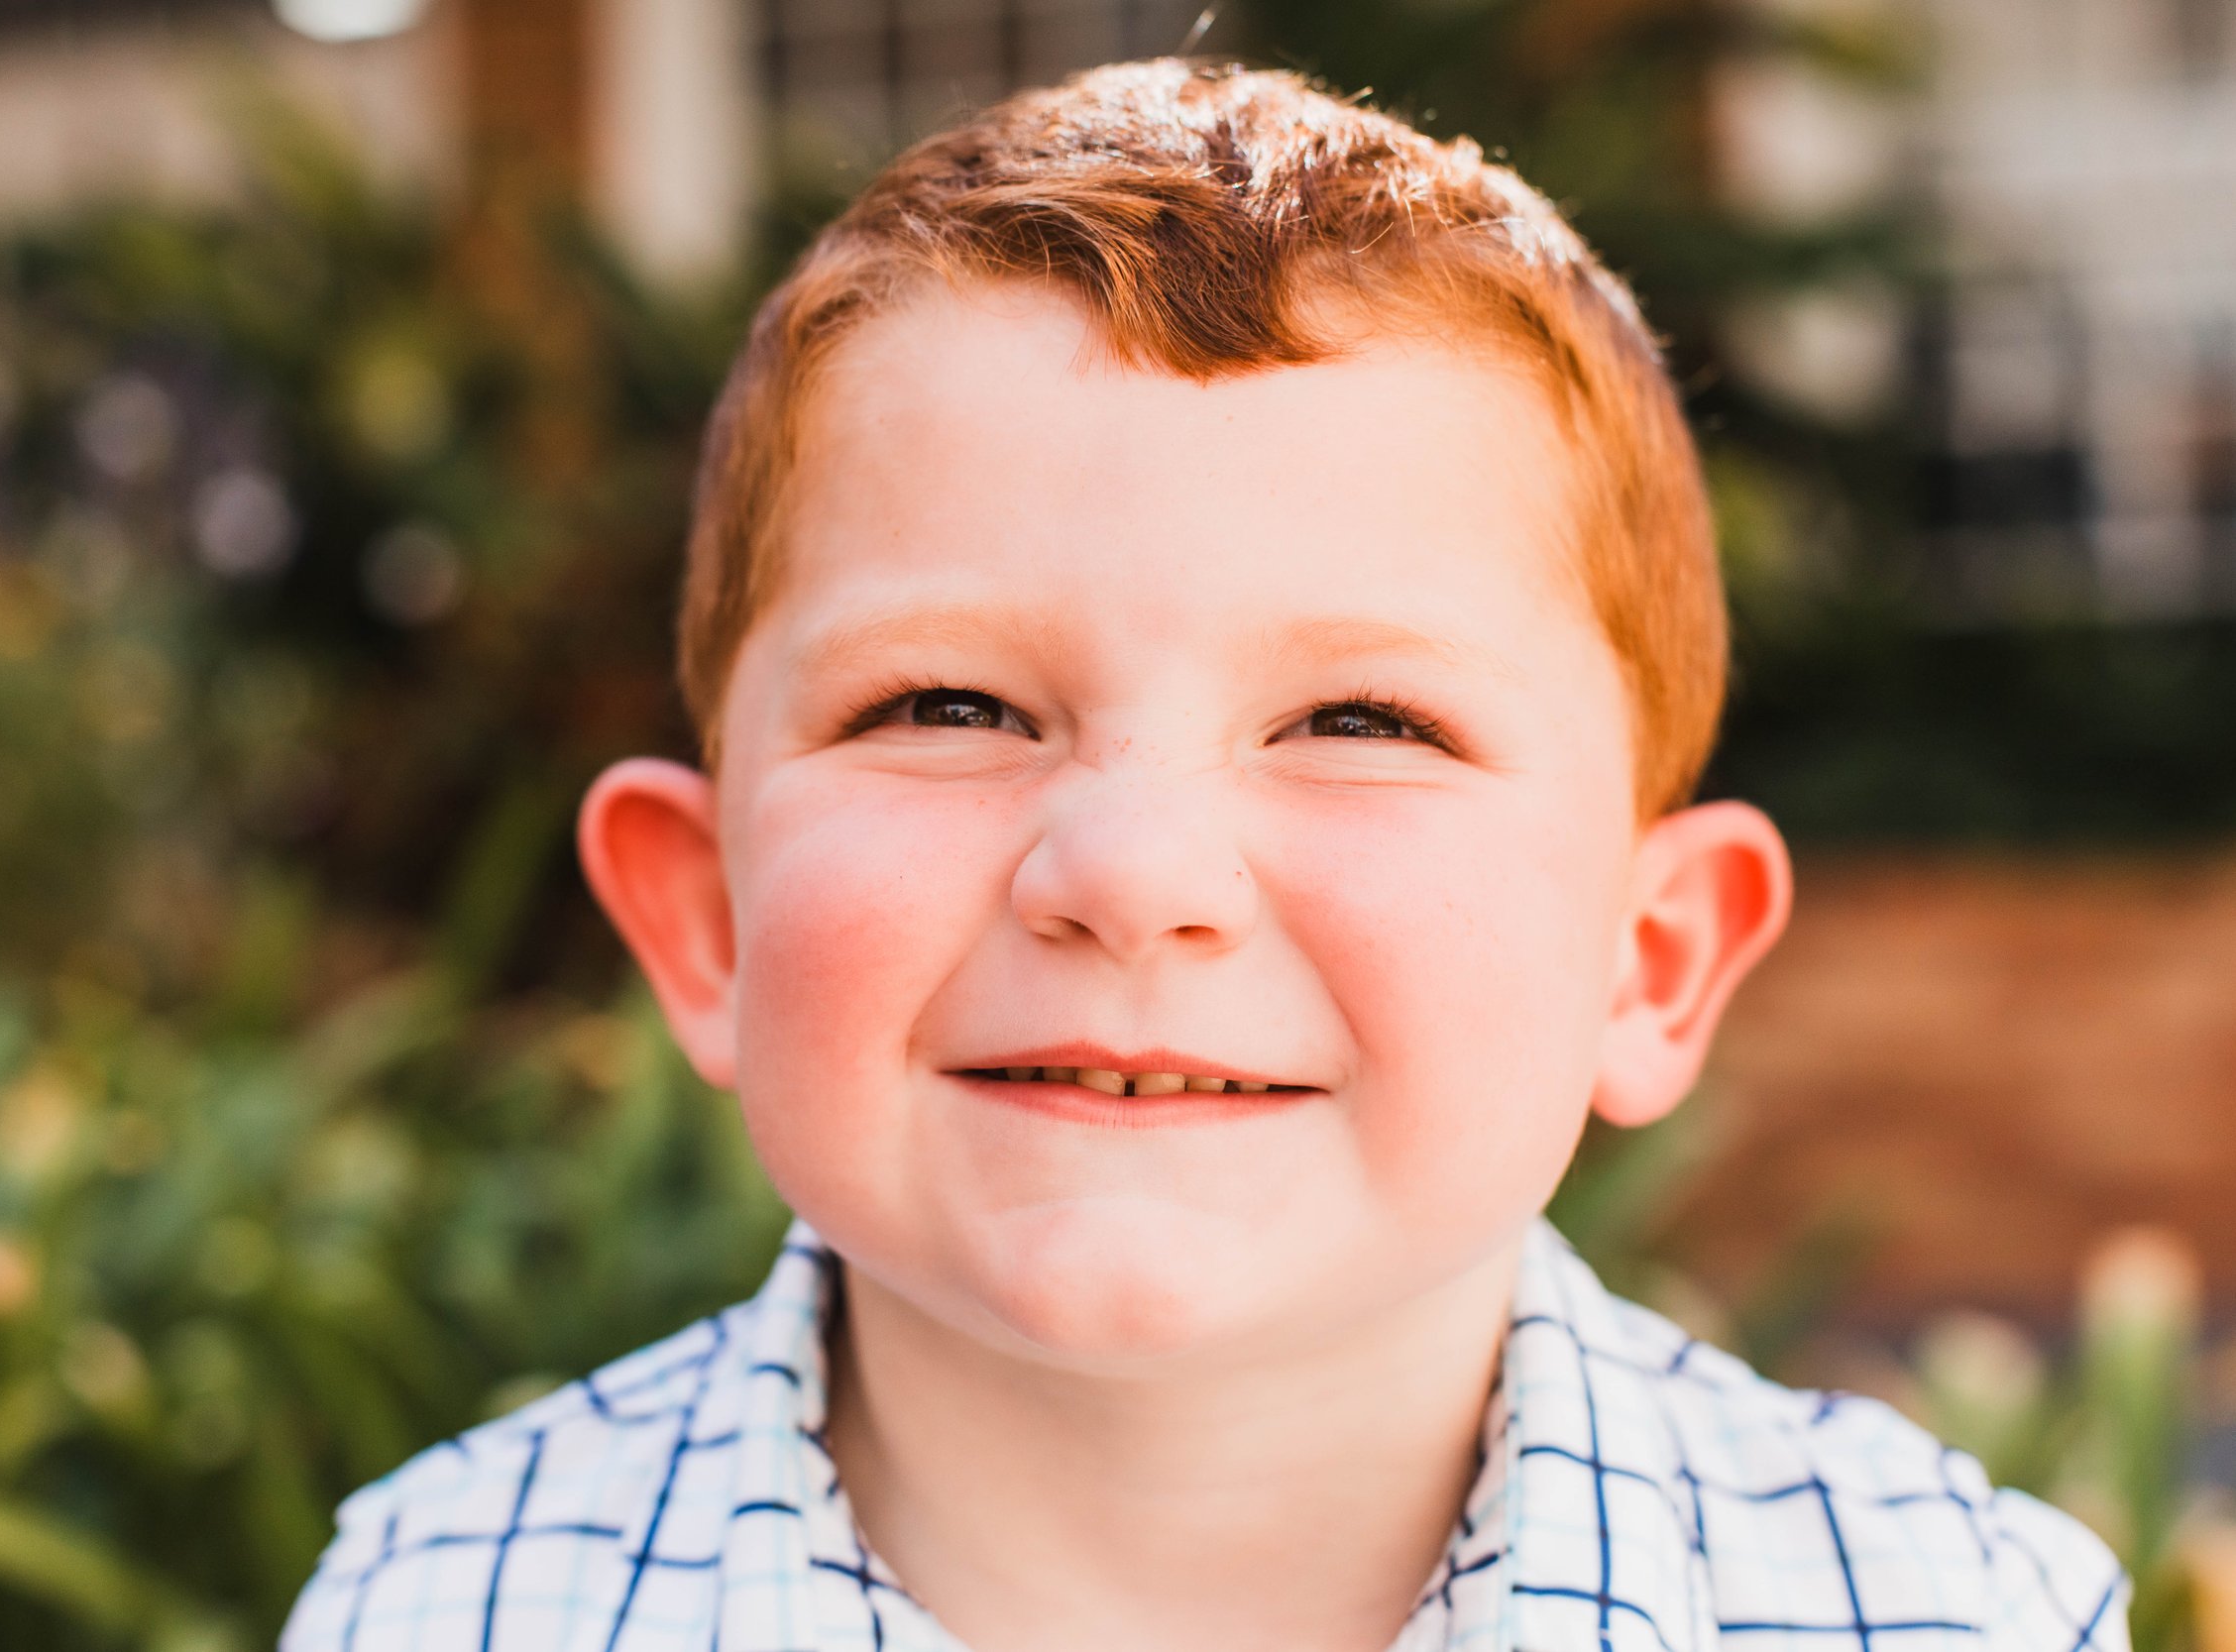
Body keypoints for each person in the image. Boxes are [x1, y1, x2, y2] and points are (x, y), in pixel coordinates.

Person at [280, 58, 2126, 1652]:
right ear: (704, 925)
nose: (1134, 867)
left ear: (1646, 964)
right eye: (947, 707)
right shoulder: (440, 1604)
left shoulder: (1958, 1616)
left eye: (1362, 723)